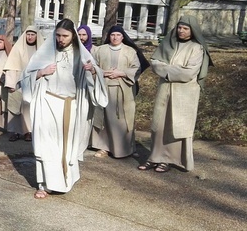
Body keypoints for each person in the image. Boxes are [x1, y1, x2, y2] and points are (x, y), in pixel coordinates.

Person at [22, 18, 108, 199]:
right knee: (46, 146)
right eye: (58, 35)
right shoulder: (44, 53)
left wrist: (92, 71)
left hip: (71, 106)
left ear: (73, 36)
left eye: (65, 36)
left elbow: (96, 75)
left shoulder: (81, 54)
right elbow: (26, 77)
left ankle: (64, 181)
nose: (61, 39)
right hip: (47, 104)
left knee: (66, 147)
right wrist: (41, 72)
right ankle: (43, 184)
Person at [137, 16, 212, 173]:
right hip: (165, 89)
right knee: (159, 125)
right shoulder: (168, 44)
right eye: (180, 28)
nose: (181, 31)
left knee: (176, 126)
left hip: (185, 93)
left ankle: (168, 159)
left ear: (192, 31)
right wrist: (173, 69)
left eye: (185, 28)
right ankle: (154, 157)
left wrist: (167, 69)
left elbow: (188, 74)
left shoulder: (196, 48)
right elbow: (155, 64)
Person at [90, 26, 150, 158]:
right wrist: (104, 73)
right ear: (108, 36)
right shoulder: (101, 50)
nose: (115, 37)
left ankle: (125, 148)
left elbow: (136, 68)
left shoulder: (130, 51)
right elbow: (92, 68)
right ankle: (103, 147)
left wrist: (120, 73)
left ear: (123, 37)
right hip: (104, 88)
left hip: (123, 89)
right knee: (104, 119)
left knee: (123, 120)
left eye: (118, 35)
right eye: (112, 35)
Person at [3, 26, 44, 141]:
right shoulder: (18, 48)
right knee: (15, 106)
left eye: (33, 34)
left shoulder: (41, 50)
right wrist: (11, 83)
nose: (30, 37)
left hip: (34, 82)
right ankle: (15, 131)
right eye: (28, 34)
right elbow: (11, 66)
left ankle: (28, 131)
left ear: (37, 36)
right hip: (18, 81)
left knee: (29, 107)